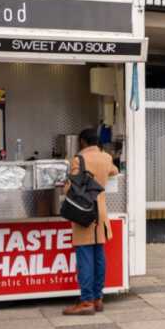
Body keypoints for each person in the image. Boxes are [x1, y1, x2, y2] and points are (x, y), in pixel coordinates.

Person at [62, 127, 119, 316]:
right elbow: (114, 171)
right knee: (98, 255)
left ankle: (86, 302)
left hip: (84, 213)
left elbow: (71, 187)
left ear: (83, 142)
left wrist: (64, 186)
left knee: (85, 257)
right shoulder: (106, 158)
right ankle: (98, 298)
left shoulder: (79, 159)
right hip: (101, 213)